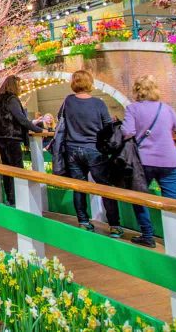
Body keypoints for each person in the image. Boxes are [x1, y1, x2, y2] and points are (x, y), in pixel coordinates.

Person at [122, 75, 176, 248]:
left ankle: (147, 234)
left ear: (137, 90)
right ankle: (175, 239)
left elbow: (127, 131)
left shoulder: (133, 109)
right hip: (169, 160)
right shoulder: (166, 109)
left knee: (139, 197)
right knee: (171, 201)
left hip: (144, 161)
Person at [57, 70, 121, 236]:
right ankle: (114, 225)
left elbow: (60, 118)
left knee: (79, 186)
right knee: (105, 186)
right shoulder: (98, 104)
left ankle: (83, 221)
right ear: (90, 83)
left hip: (72, 149)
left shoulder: (68, 101)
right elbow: (107, 126)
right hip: (94, 149)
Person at [0, 75, 47, 206]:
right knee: (17, 168)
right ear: (14, 86)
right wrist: (38, 130)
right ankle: (19, 199)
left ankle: (10, 199)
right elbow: (21, 119)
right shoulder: (11, 98)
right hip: (11, 137)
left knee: (7, 169)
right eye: (19, 85)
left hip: (0, 138)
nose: (20, 88)